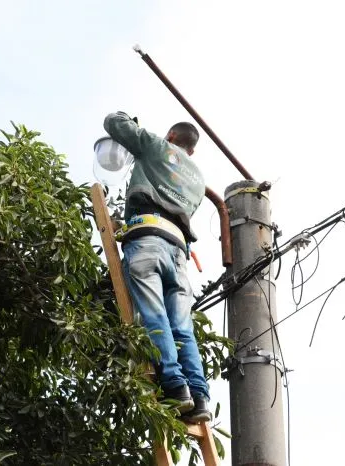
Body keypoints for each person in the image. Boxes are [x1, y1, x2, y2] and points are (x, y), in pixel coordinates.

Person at [103, 111, 210, 423]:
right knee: (182, 327)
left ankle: (175, 387)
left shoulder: (157, 146)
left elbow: (114, 123)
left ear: (172, 136)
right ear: (192, 150)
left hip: (149, 239)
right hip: (179, 253)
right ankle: (199, 397)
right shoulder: (199, 181)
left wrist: (129, 119)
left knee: (154, 315)